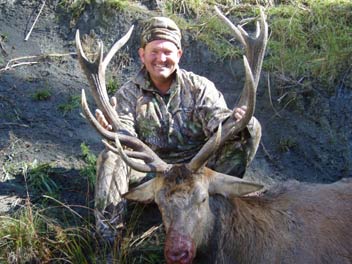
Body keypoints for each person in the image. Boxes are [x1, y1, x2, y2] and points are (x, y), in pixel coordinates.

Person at [94, 16, 261, 243]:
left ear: (179, 55)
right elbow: (125, 135)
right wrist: (112, 128)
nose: (161, 58)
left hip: (197, 173)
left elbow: (217, 120)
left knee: (248, 130)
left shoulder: (198, 88)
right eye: (154, 52)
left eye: (168, 52)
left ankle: (216, 212)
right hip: (155, 175)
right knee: (112, 155)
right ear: (142, 55)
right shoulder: (128, 94)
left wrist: (235, 121)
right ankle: (109, 237)